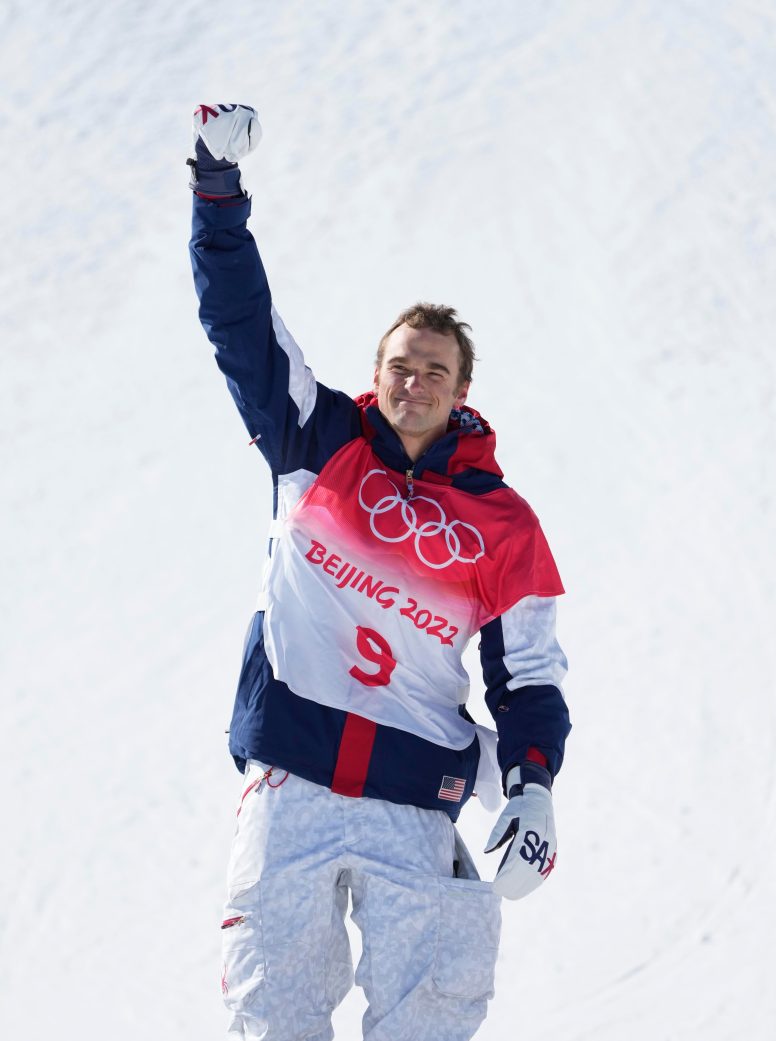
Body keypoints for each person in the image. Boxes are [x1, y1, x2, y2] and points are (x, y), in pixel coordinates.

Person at [188, 103, 571, 1041]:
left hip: (415, 798)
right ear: (377, 372)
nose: (415, 382)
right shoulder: (314, 439)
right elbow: (241, 324)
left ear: (462, 389)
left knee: (430, 1018)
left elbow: (527, 674)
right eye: (401, 366)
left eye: (435, 371)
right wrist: (216, 191)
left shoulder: (504, 526)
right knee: (272, 1015)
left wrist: (531, 783)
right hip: (295, 782)